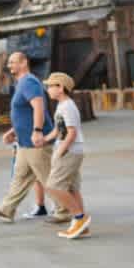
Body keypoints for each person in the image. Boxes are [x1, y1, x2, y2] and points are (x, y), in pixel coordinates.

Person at [0, 52, 64, 223]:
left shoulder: (29, 82)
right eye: (9, 63)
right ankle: (6, 210)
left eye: (13, 62)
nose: (9, 65)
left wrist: (37, 131)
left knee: (48, 177)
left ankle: (64, 210)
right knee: (20, 178)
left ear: (24, 63)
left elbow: (38, 108)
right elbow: (24, 112)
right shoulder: (21, 83)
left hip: (36, 143)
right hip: (24, 142)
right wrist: (13, 131)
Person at [43, 72, 91, 239]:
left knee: (53, 186)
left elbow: (71, 133)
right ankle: (81, 225)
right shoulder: (61, 106)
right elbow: (58, 130)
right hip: (71, 150)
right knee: (72, 188)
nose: (48, 89)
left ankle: (79, 217)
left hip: (70, 151)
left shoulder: (68, 107)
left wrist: (59, 152)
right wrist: (44, 140)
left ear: (61, 88)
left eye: (50, 86)